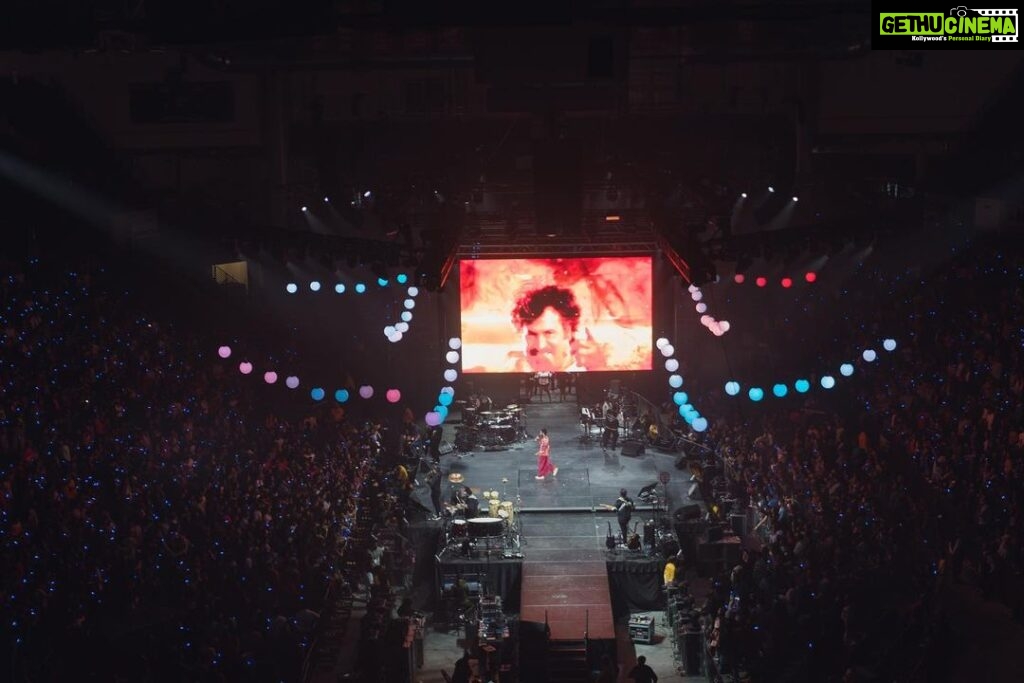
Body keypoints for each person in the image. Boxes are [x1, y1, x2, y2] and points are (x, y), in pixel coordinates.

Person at [507, 285, 608, 372]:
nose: (540, 345)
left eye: (549, 333)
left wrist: (598, 370)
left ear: (568, 332)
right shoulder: (512, 370)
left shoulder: (590, 372)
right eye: (532, 334)